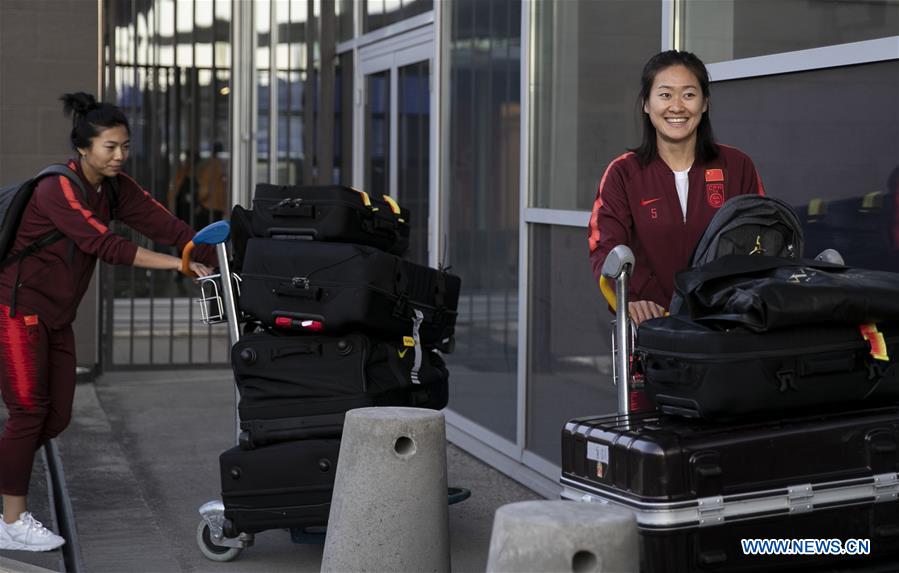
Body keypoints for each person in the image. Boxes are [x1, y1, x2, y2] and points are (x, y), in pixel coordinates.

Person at [0, 92, 215, 551]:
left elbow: (166, 226)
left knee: (55, 417)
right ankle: (11, 519)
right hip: (17, 310)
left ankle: (7, 476)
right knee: (27, 411)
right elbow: (108, 246)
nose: (119, 156)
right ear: (83, 148)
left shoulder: (114, 187)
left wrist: (215, 252)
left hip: (57, 316)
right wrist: (177, 266)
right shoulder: (56, 188)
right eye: (109, 147)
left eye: (124, 146)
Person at [587, 50, 765, 325]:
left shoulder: (737, 166)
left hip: (726, 325)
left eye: (689, 94)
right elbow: (605, 247)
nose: (677, 107)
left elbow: (759, 239)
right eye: (665, 94)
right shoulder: (623, 173)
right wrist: (632, 300)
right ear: (646, 103)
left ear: (704, 103)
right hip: (654, 326)